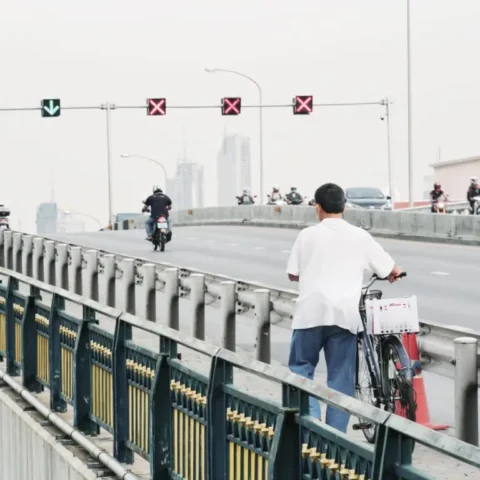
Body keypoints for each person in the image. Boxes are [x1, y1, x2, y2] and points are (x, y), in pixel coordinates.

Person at [286, 183, 403, 433]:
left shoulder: (307, 235)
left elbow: (292, 274)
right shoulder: (360, 236)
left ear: (317, 208)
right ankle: (334, 438)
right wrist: (394, 272)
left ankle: (312, 426)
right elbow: (389, 267)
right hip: (344, 317)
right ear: (344, 207)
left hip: (310, 315)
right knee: (340, 380)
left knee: (301, 370)